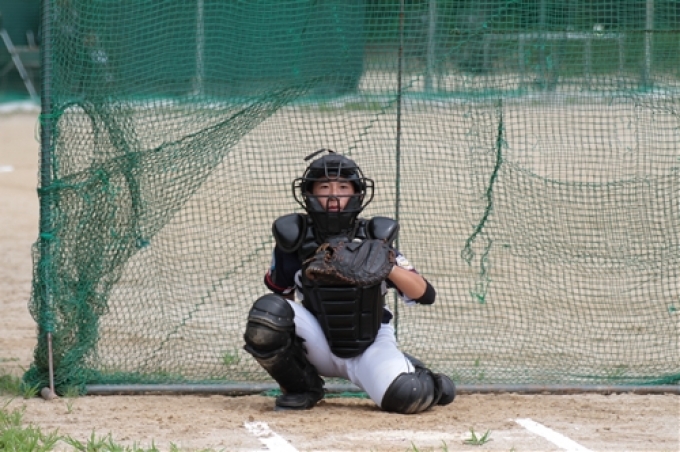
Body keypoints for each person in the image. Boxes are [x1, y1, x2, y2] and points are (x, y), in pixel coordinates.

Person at [243, 149, 455, 414]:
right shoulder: (294, 237)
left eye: (343, 187)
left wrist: (384, 265)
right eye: (324, 187)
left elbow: (425, 294)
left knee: (407, 396)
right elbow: (282, 298)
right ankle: (302, 388)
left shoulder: (375, 236)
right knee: (268, 312)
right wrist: (288, 356)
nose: (333, 196)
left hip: (370, 342)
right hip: (317, 341)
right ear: (309, 194)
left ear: (356, 194)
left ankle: (423, 376)